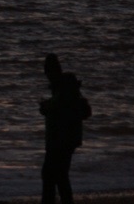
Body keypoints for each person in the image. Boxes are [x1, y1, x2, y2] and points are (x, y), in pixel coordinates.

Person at [40, 56, 91, 204]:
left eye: (48, 72)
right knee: (59, 176)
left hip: (60, 140)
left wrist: (46, 108)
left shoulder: (63, 89)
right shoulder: (66, 88)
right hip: (66, 140)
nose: (47, 76)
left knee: (51, 175)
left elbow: (59, 109)